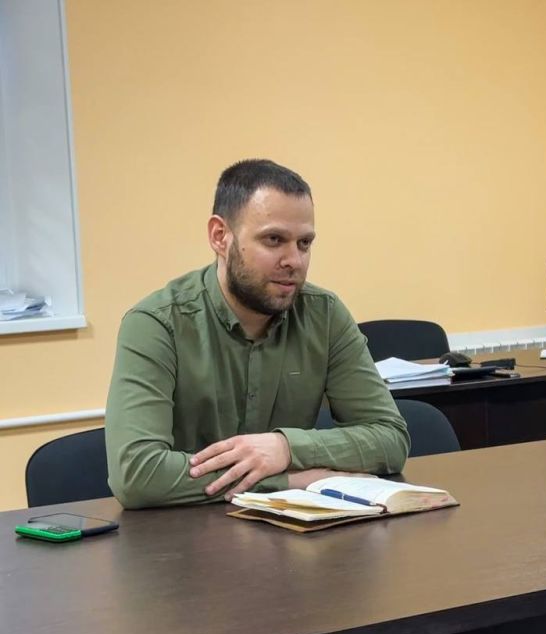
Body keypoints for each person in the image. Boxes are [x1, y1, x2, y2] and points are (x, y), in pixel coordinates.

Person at [106, 159, 409, 508]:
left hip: (295, 540)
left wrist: (285, 448)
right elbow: (138, 475)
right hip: (181, 543)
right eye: (274, 240)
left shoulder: (324, 314)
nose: (294, 260)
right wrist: (289, 480)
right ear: (220, 237)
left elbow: (390, 438)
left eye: (305, 243)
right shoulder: (156, 323)